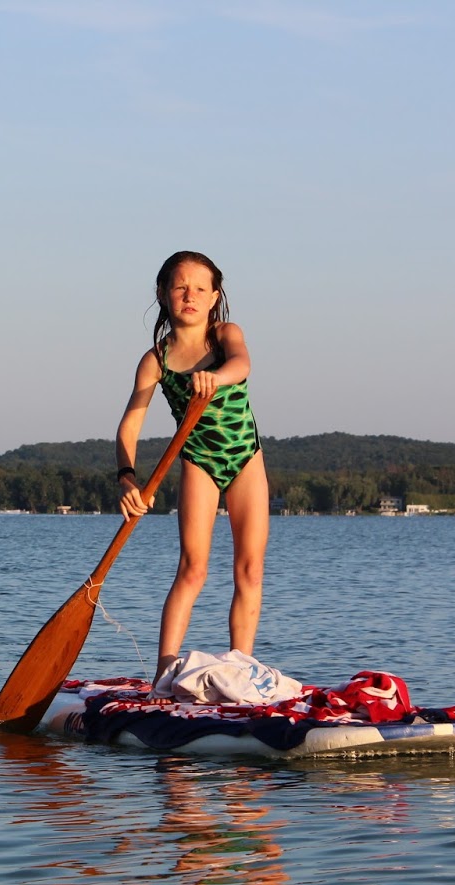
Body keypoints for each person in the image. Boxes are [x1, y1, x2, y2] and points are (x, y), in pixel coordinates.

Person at [115, 251, 269, 689]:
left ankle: (242, 668)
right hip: (199, 461)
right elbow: (130, 424)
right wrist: (127, 477)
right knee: (192, 568)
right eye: (180, 287)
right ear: (163, 294)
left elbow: (242, 365)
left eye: (200, 288)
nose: (190, 296)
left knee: (249, 568)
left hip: (245, 459)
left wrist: (216, 377)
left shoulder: (225, 335)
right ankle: (164, 675)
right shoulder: (156, 360)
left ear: (214, 296)